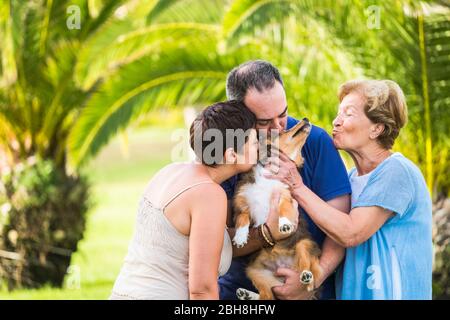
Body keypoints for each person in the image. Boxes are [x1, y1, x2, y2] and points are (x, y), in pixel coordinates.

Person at [265, 79, 433, 299]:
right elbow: (336, 240)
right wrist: (308, 280)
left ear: (377, 128)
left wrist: (296, 185)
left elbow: (350, 233)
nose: (336, 121)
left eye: (348, 114)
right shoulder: (352, 178)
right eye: (338, 113)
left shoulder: (397, 172)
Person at [219, 60, 352, 300]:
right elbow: (215, 242)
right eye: (264, 122)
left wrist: (313, 280)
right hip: (240, 293)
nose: (278, 127)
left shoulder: (313, 141)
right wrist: (266, 234)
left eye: (283, 114)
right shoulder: (224, 152)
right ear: (239, 116)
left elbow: (341, 229)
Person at [110, 100, 261, 299]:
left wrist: (265, 235)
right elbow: (202, 290)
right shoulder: (209, 194)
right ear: (232, 154)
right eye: (253, 141)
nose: (260, 145)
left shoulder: (169, 171)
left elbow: (206, 244)